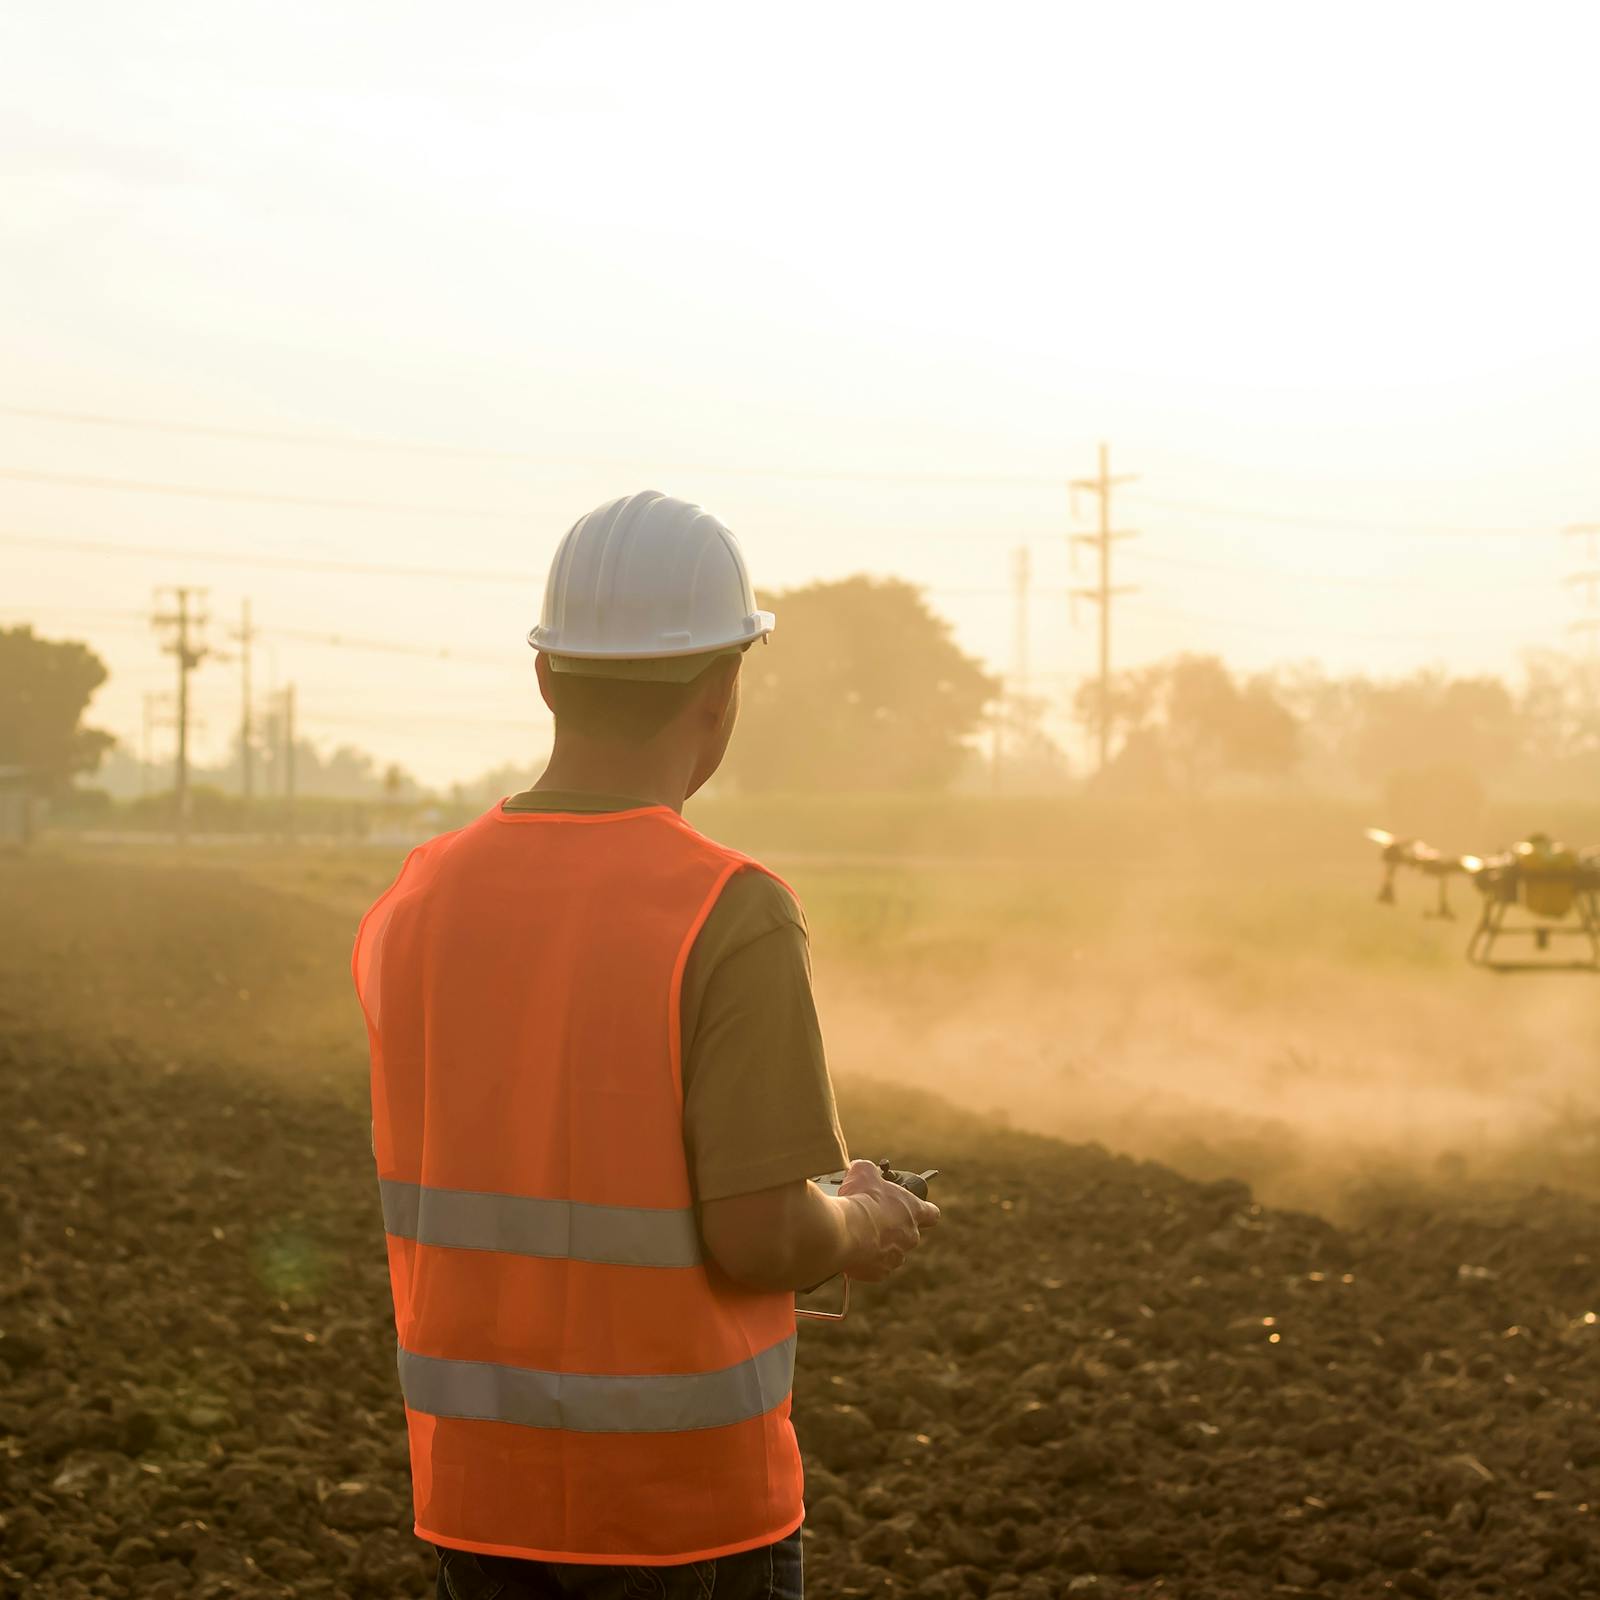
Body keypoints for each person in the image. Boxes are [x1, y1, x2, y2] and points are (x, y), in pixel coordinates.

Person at [352, 491, 941, 1600]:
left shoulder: (413, 899)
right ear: (723, 689)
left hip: (479, 1508)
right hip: (687, 1521)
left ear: (544, 676)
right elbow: (762, 1235)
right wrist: (861, 1218)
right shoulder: (732, 910)